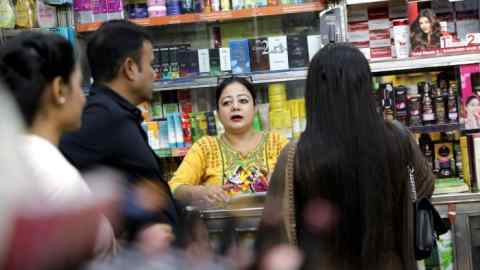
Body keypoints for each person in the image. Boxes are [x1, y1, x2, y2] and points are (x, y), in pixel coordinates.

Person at [256, 44, 435, 270]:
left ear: (314, 92)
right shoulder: (398, 138)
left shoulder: (296, 154)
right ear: (365, 87)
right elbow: (423, 188)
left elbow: (276, 225)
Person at [59, 20, 178, 243]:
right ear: (130, 68)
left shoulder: (118, 114)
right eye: (151, 64)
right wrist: (123, 223)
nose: (154, 73)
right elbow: (56, 178)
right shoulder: (101, 115)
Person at [0, 32, 115, 257]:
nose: (83, 98)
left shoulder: (15, 158)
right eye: (78, 84)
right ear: (59, 90)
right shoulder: (55, 175)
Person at [168, 77, 289, 207]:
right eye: (226, 103)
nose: (235, 107)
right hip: (220, 226)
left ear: (255, 108)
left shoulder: (277, 143)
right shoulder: (205, 147)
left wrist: (284, 182)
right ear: (218, 114)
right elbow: (173, 188)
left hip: (273, 224)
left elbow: (305, 182)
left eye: (243, 101)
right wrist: (199, 192)